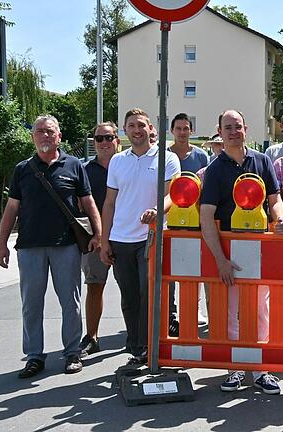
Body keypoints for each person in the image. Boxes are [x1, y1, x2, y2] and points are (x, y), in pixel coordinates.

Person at [0, 115, 101, 377]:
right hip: (30, 247)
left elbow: (88, 203)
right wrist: (1, 243)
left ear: (59, 137)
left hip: (65, 245)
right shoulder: (23, 169)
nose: (44, 136)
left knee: (71, 301)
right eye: (39, 132)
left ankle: (72, 353)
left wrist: (98, 234)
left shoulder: (74, 166)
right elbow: (11, 209)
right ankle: (34, 356)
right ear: (33, 137)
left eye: (49, 132)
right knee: (31, 304)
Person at [199, 109, 283, 394]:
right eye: (228, 127)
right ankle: (235, 368)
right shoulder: (214, 169)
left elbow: (275, 199)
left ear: (246, 129)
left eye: (238, 126)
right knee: (231, 312)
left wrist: (280, 218)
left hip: (260, 248)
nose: (234, 131)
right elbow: (206, 216)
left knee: (261, 309)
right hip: (230, 250)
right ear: (220, 132)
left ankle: (261, 369)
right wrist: (220, 260)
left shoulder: (262, 161)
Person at [100, 108, 181, 365]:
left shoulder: (166, 159)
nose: (137, 130)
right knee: (129, 297)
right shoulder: (117, 161)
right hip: (121, 239)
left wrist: (158, 210)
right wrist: (104, 241)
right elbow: (110, 203)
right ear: (125, 130)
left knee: (151, 296)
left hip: (152, 238)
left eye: (141, 125)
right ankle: (135, 347)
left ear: (151, 129)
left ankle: (150, 347)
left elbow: (173, 195)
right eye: (132, 125)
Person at [78, 122, 118, 358]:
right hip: (95, 239)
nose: (104, 142)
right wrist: (95, 235)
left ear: (116, 140)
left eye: (108, 137)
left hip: (125, 238)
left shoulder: (126, 166)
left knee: (135, 290)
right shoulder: (84, 170)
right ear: (93, 142)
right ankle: (91, 337)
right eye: (99, 138)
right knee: (94, 286)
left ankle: (139, 339)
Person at [168, 113, 210, 333]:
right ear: (172, 131)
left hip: (196, 220)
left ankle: (194, 310)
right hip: (171, 220)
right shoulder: (165, 155)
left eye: (186, 128)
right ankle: (172, 313)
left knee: (196, 267)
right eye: (178, 128)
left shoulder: (202, 156)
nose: (182, 132)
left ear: (191, 131)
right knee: (172, 268)